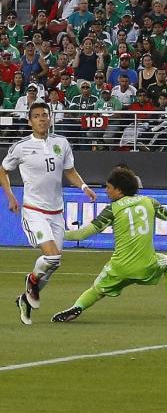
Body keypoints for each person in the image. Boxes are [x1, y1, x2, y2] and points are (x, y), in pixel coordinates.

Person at [51, 167, 167, 323]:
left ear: (119, 190)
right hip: (148, 264)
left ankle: (77, 307)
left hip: (119, 268)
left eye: (108, 187)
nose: (106, 191)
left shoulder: (112, 209)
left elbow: (82, 234)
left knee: (97, 290)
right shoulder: (149, 202)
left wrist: (56, 234)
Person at [0, 102, 97, 325]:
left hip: (56, 212)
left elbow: (70, 171)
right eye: (37, 116)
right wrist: (11, 196)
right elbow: (3, 170)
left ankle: (25, 298)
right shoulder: (21, 146)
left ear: (51, 118)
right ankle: (31, 280)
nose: (42, 119)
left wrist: (84, 187)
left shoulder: (61, 143)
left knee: (54, 263)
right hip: (34, 210)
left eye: (45, 115)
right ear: (30, 121)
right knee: (52, 256)